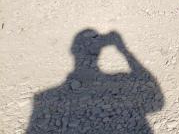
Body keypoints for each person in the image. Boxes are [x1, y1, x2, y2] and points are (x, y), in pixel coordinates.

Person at [27, 30, 164, 133]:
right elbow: (157, 104)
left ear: (72, 51)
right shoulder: (43, 98)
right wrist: (124, 51)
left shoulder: (44, 98)